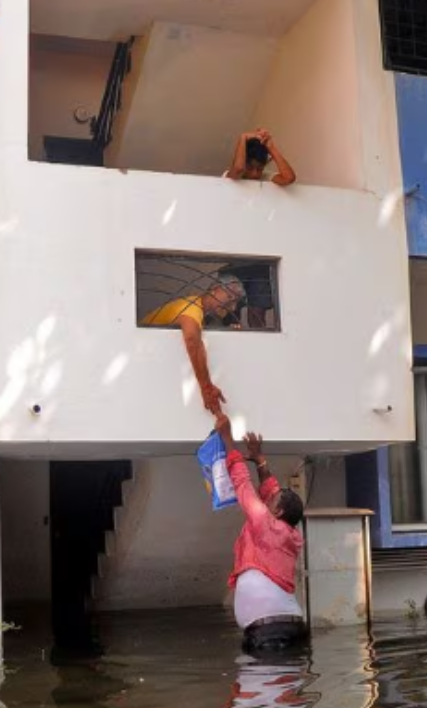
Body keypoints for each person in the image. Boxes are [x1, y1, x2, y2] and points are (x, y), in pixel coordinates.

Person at [214, 412, 309, 654]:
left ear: (277, 511)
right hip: (289, 628)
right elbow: (272, 490)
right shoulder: (289, 534)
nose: (266, 500)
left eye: (271, 502)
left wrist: (227, 440)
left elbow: (243, 485)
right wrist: (259, 459)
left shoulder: (265, 523)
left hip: (268, 634)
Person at [142, 274, 246, 415]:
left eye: (236, 303)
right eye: (229, 298)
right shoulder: (192, 309)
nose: (232, 308)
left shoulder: (205, 313)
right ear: (214, 290)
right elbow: (192, 340)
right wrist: (207, 388)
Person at [226, 129, 297, 186]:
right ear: (244, 163)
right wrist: (243, 137)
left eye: (260, 169)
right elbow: (238, 169)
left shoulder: (265, 177)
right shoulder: (231, 176)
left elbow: (289, 178)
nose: (255, 174)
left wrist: (271, 147)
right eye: (250, 168)